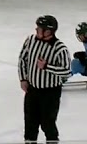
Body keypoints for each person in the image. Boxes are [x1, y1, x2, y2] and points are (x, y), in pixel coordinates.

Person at [18, 14, 70, 144]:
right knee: (30, 125)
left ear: (48, 31)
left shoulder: (60, 48)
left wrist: (47, 66)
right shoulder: (30, 40)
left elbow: (66, 71)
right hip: (32, 90)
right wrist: (23, 79)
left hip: (50, 93)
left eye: (39, 28)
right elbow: (22, 59)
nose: (36, 30)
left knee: (48, 125)